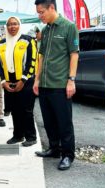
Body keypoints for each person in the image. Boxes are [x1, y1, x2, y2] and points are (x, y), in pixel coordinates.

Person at [33, 0, 79, 171]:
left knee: (64, 121)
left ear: (52, 8)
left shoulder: (69, 27)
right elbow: (42, 56)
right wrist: (37, 80)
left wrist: (71, 80)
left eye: (42, 12)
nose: (40, 15)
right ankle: (54, 149)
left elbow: (74, 55)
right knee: (49, 120)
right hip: (45, 83)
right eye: (38, 12)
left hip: (60, 84)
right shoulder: (45, 30)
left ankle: (68, 155)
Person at [0, 16, 38, 147]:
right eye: (9, 25)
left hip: (25, 81)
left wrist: (23, 80)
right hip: (9, 81)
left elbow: (32, 61)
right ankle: (18, 135)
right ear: (6, 27)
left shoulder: (28, 40)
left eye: (15, 24)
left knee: (26, 110)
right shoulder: (2, 43)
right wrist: (3, 81)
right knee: (14, 109)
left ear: (19, 25)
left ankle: (31, 137)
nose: (12, 27)